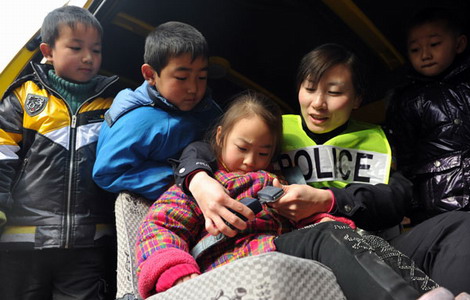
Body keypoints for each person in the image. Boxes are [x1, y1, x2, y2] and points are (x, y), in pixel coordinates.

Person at [172, 43, 470, 296]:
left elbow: (398, 197)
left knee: (459, 225)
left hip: (374, 240)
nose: (318, 104)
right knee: (330, 236)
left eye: (334, 92)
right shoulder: (274, 132)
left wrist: (329, 200)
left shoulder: (376, 138)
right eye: (310, 88)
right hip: (305, 241)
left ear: (357, 99)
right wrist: (198, 179)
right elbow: (207, 147)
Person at [136, 90, 445, 300]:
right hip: (238, 260)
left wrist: (328, 221)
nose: (249, 160)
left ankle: (428, 291)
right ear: (220, 137)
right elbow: (159, 226)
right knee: (327, 235)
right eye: (242, 148)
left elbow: (312, 221)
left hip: (284, 247)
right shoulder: (205, 185)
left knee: (347, 236)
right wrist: (177, 275)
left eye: (263, 152)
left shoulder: (279, 183)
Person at [0, 6, 119, 299]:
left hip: (89, 243)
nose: (88, 57)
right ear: (48, 51)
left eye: (96, 49)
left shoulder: (113, 105)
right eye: (76, 47)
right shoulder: (23, 97)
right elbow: (2, 158)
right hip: (23, 242)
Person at [385, 8, 470, 294]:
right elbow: (404, 156)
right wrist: (408, 205)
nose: (425, 54)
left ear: (459, 44)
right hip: (435, 200)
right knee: (449, 256)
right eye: (415, 48)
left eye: (434, 44)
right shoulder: (407, 99)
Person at [92, 21, 222, 201]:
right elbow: (107, 172)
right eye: (182, 78)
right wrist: (178, 181)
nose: (193, 88)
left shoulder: (207, 107)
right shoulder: (136, 122)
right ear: (150, 75)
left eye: (201, 77)